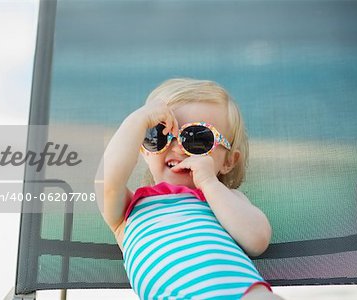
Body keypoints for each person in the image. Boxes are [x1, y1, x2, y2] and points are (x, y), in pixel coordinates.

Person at [96, 78, 285, 299]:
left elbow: (257, 240)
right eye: (158, 135)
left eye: (197, 139)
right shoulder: (127, 211)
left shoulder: (225, 200)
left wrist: (209, 184)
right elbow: (107, 181)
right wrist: (138, 120)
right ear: (144, 151)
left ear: (228, 161)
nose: (177, 147)